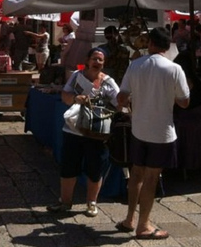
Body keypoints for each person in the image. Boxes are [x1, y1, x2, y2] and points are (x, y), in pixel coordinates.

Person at [117, 27, 190, 240]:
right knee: (151, 178)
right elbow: (185, 102)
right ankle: (144, 225)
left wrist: (135, 100)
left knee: (135, 174)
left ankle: (130, 219)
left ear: (150, 44)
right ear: (168, 48)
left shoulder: (135, 65)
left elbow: (121, 97)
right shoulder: (174, 69)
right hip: (161, 132)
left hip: (139, 129)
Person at [47, 47, 119, 218]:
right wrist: (74, 98)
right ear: (87, 60)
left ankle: (91, 203)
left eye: (100, 60)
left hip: (95, 133)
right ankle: (65, 202)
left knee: (95, 169)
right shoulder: (76, 76)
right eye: (94, 58)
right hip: (73, 130)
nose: (97, 62)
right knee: (68, 167)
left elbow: (119, 102)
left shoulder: (108, 82)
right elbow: (65, 94)